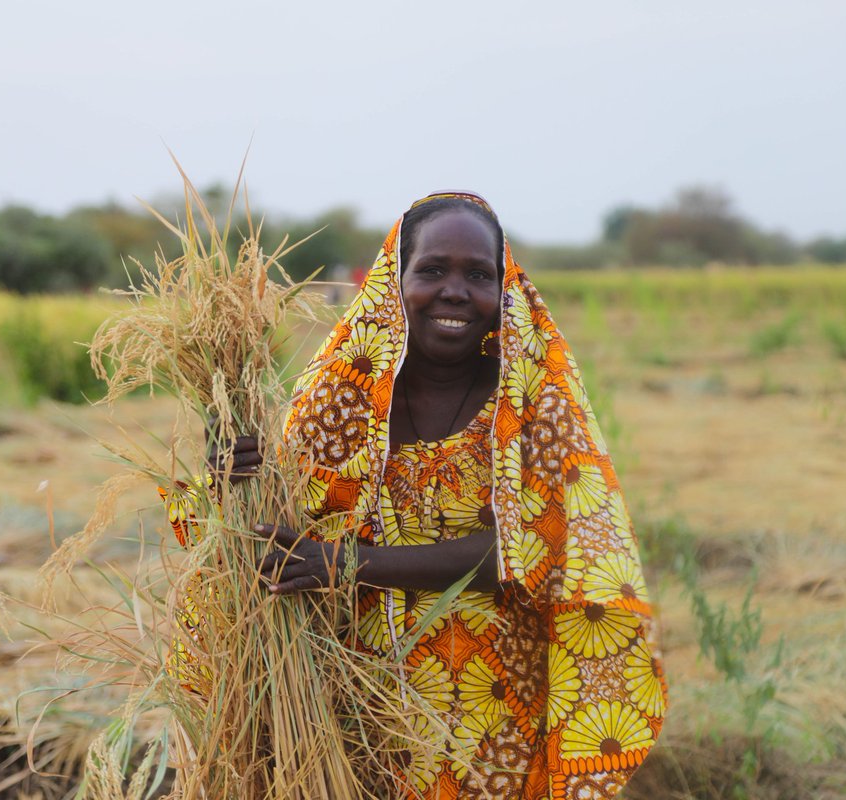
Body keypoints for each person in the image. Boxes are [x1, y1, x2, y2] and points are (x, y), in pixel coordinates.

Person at [215, 191, 666, 799]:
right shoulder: (342, 396)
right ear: (393, 281)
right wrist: (234, 479)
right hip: (356, 707)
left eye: (478, 274)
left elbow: (538, 551)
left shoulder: (533, 402)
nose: (454, 291)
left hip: (492, 717)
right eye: (431, 270)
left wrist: (350, 564)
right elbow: (283, 527)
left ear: (502, 290)